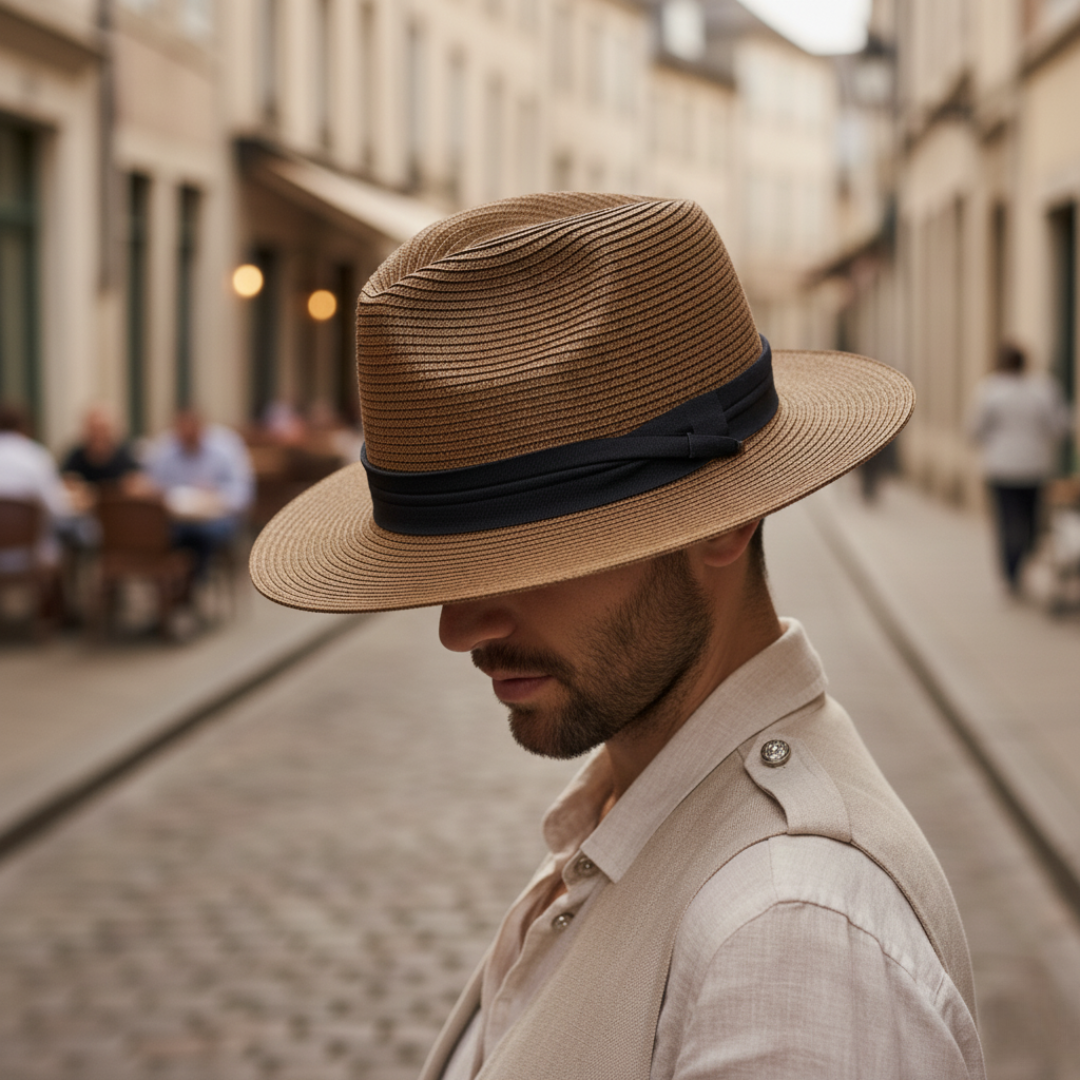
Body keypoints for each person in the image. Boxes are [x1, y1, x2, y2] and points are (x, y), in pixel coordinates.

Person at [249, 195, 985, 1078]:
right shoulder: (645, 815)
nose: (459, 629)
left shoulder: (790, 943)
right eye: (442, 570)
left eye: (529, 552)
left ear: (722, 522)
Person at [968, 343, 1071, 593]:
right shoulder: (1043, 389)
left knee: (1006, 521)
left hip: (1001, 467)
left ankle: (1011, 573)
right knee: (1031, 521)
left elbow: (975, 429)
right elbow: (1058, 426)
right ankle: (1022, 560)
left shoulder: (989, 390)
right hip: (1034, 466)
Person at [146, 409, 253, 579]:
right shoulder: (165, 448)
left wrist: (217, 495)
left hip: (216, 520)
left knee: (202, 534)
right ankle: (176, 582)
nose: (186, 437)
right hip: (175, 520)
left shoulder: (226, 446)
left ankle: (193, 580)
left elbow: (243, 494)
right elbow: (151, 483)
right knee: (158, 534)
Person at [61, 406, 140, 488]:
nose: (99, 435)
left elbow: (141, 484)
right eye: (94, 429)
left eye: (103, 429)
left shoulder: (125, 456)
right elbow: (63, 484)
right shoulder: (75, 459)